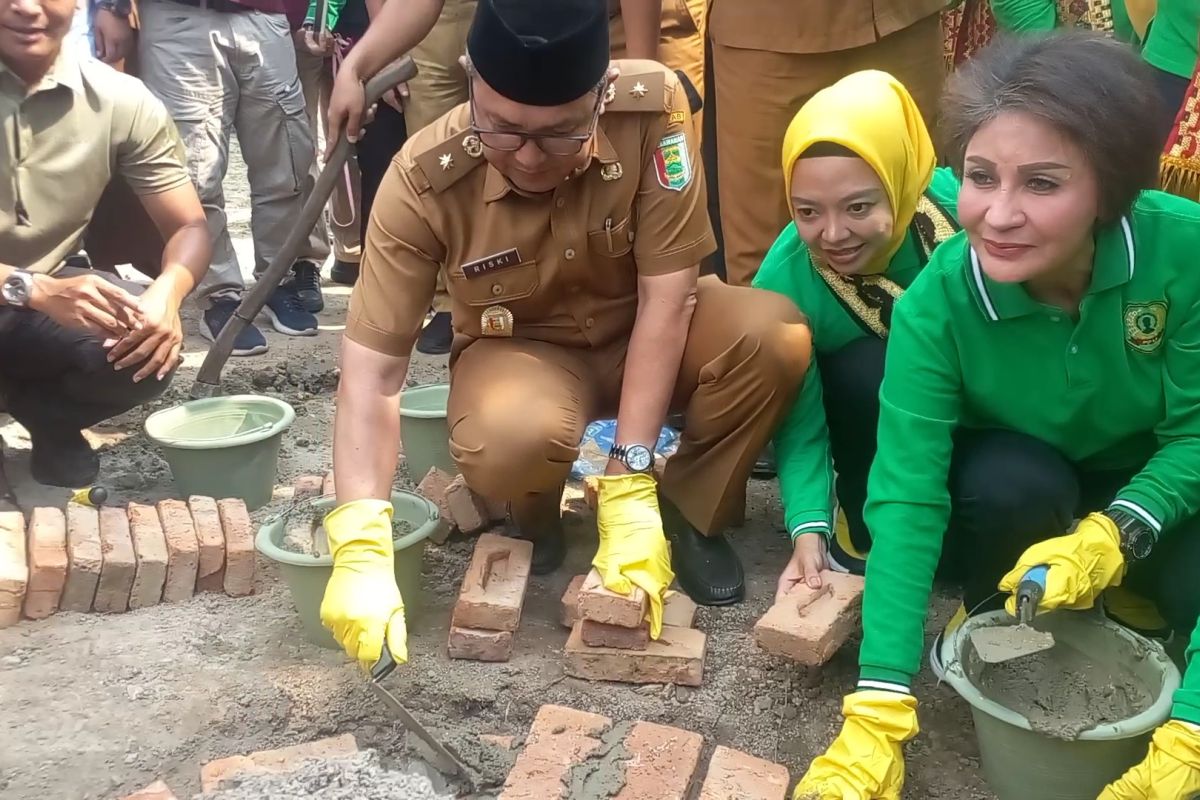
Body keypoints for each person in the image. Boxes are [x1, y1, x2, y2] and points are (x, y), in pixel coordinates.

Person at [319, 0, 811, 673]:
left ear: (602, 95)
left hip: (647, 325)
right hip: (527, 353)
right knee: (508, 434)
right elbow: (373, 374)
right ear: (469, 80)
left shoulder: (653, 109)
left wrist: (630, 478)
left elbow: (670, 301)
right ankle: (535, 517)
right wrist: (360, 542)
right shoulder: (423, 180)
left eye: (557, 134)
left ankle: (688, 510)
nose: (526, 155)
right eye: (502, 128)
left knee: (772, 335)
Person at [794, 32, 1200, 799]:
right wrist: (879, 700)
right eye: (980, 177)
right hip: (1028, 477)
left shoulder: (1183, 254)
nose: (998, 216)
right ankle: (998, 611)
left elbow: (1195, 436)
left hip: (1153, 474)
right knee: (1011, 483)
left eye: (1043, 184)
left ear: (1109, 188)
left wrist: (1124, 527)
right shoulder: (942, 300)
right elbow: (908, 493)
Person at [751, 71, 959, 598]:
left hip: (977, 423)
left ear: (901, 176)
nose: (834, 235)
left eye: (859, 206)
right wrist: (808, 528)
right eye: (807, 212)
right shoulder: (786, 278)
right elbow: (800, 420)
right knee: (869, 365)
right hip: (874, 444)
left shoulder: (965, 213)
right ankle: (864, 520)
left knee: (1021, 488)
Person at [0, 0, 210, 487]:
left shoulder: (120, 100)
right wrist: (33, 289)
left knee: (141, 344)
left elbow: (190, 228)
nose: (25, 8)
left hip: (42, 297)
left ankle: (47, 417)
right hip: (31, 294)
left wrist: (167, 294)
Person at [129, 0, 327, 356]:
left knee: (288, 159)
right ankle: (218, 295)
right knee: (194, 172)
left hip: (266, 14)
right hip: (179, 14)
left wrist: (296, 13)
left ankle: (276, 280)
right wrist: (112, 9)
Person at [707, 0, 947, 289]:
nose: (834, 234)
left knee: (921, 201)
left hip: (898, 16)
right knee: (763, 268)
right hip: (767, 25)